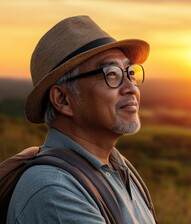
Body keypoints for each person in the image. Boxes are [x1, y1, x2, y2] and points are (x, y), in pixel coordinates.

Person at [7, 15, 156, 224]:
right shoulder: (54, 191)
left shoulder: (120, 168)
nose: (131, 87)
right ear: (63, 100)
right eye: (111, 74)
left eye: (130, 73)